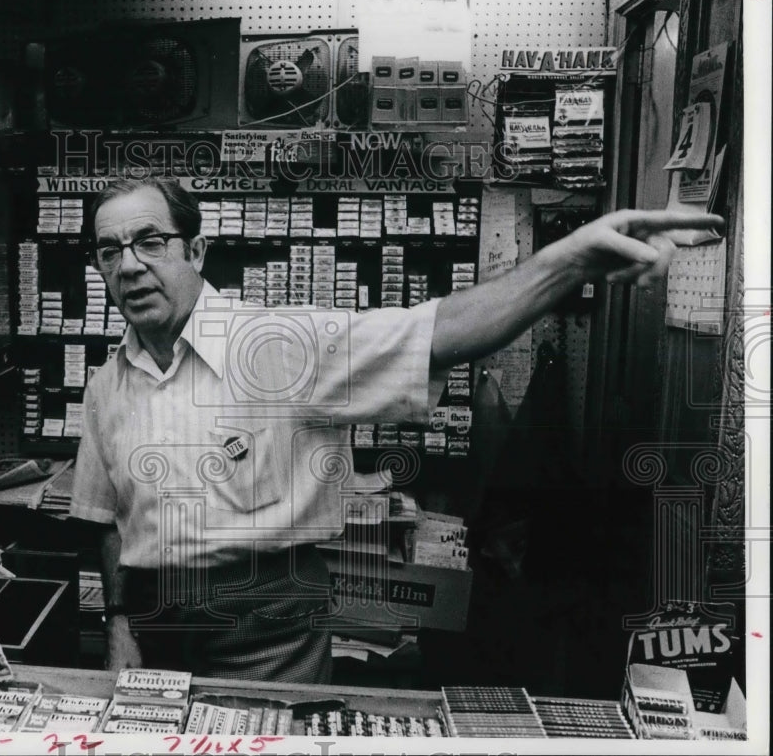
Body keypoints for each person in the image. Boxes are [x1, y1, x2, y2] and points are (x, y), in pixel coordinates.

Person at [70, 176, 722, 683]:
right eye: (110, 250)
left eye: (150, 241)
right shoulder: (106, 386)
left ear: (197, 251)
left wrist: (566, 264)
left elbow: (434, 334)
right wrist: (119, 623)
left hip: (265, 623)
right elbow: (104, 519)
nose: (129, 265)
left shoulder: (279, 346)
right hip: (152, 621)